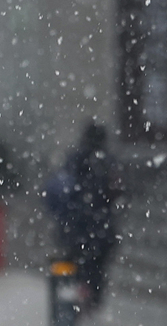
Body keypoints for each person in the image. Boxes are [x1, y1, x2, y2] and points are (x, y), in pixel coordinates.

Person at [45, 122, 123, 312]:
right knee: (96, 268)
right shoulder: (109, 161)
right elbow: (118, 192)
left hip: (75, 226)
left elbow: (58, 189)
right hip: (100, 226)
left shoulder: (74, 158)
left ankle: (73, 305)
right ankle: (91, 301)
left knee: (74, 266)